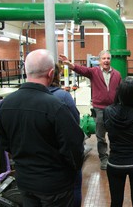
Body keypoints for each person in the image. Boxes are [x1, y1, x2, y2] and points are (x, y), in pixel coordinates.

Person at [0, 49, 84, 206]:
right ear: (51, 73)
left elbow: (6, 145)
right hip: (55, 187)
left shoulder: (5, 106)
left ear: (25, 71)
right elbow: (74, 149)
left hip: (25, 183)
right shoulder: (57, 106)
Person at [59, 50, 122, 170]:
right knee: (101, 136)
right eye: (104, 58)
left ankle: (115, 156)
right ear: (99, 61)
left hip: (114, 109)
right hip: (99, 109)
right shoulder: (94, 72)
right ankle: (104, 158)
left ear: (110, 60)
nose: (106, 61)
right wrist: (69, 64)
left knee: (115, 134)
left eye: (108, 58)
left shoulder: (117, 74)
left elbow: (120, 91)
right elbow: (81, 69)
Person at [103, 77, 133, 207]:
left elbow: (109, 131)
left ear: (120, 92)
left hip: (115, 163)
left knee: (116, 202)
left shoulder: (107, 111)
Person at [48, 63, 82, 207]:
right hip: (61, 162)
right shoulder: (63, 97)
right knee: (74, 187)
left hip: (32, 172)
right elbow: (75, 124)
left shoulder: (17, 99)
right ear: (54, 75)